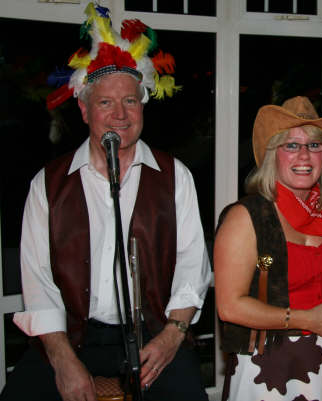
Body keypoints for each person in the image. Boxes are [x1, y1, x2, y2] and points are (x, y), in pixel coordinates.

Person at [0, 5, 211, 401]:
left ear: (143, 106)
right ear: (83, 109)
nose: (120, 115)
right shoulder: (47, 185)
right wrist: (62, 360)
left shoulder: (174, 175)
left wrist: (172, 337)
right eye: (105, 103)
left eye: (130, 101)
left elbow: (190, 264)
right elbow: (38, 281)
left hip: (154, 331)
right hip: (72, 337)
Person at [214, 96, 322, 401]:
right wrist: (305, 319)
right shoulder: (246, 217)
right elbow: (229, 307)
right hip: (270, 365)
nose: (305, 156)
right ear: (273, 154)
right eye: (291, 145)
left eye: (314, 145)